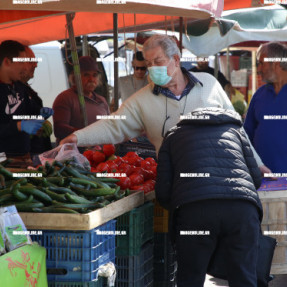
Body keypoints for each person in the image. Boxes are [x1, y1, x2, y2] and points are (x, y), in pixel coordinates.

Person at [60, 34, 269, 174]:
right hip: (179, 184)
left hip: (221, 176)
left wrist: (257, 164)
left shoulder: (209, 84)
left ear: (176, 60)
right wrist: (78, 137)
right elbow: (114, 124)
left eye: (158, 62)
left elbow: (237, 128)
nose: (152, 69)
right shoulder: (143, 99)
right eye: (149, 64)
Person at [155, 107, 262, 287]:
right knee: (244, 277)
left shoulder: (173, 135)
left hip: (195, 212)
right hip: (241, 211)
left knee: (190, 278)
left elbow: (163, 191)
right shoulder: (236, 131)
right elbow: (256, 179)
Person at [244, 41, 287, 173]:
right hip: (262, 178)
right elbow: (246, 135)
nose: (259, 69)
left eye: (261, 63)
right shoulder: (259, 94)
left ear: (275, 63)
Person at [0, 40, 46, 159]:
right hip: (3, 162)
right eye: (21, 62)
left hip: (24, 156)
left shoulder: (19, 86)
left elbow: (30, 110)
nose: (25, 67)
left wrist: (41, 113)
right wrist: (19, 126)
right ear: (7, 62)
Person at [53, 56, 110, 143]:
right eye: (86, 75)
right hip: (73, 154)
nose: (91, 79)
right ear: (75, 77)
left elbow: (108, 126)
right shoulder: (65, 98)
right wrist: (86, 134)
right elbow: (59, 129)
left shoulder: (102, 100)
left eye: (94, 75)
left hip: (100, 153)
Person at [20, 46, 53, 155]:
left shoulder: (25, 89)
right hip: (20, 155)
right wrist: (25, 126)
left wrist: (40, 116)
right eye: (31, 61)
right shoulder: (7, 90)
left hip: (37, 151)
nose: (35, 65)